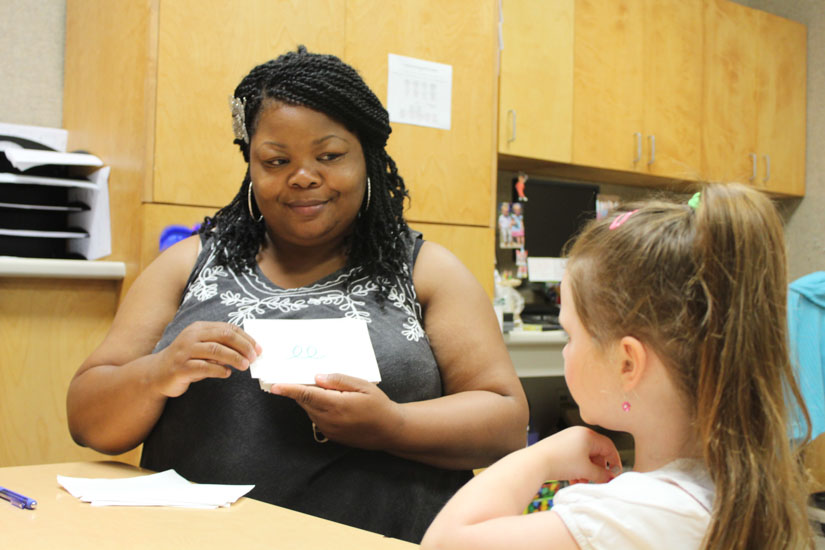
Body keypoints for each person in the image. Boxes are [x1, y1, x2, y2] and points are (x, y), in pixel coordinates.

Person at [66, 46, 528, 543]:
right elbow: (89, 422)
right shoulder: (187, 265)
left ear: (367, 159)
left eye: (329, 156)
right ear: (252, 166)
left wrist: (390, 424)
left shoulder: (426, 271)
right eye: (276, 160)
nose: (303, 176)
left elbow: (504, 423)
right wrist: (157, 373)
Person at [422, 183, 814, 550]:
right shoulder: (732, 485)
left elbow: (445, 542)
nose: (565, 351)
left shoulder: (637, 513)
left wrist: (542, 455)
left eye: (569, 335)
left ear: (628, 363)